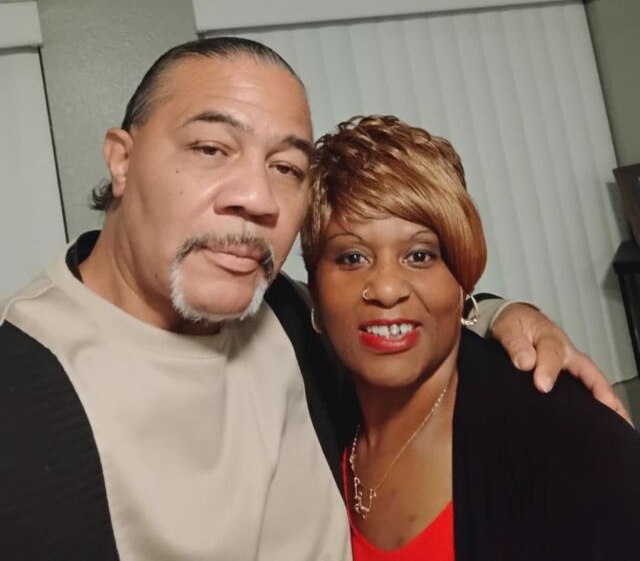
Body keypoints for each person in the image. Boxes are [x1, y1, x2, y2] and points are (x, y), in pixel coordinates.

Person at [0, 38, 627, 560]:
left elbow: (390, 308)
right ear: (122, 160)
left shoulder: (283, 312)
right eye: (212, 149)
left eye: (285, 168)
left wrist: (497, 312)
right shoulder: (25, 392)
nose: (256, 197)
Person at [301, 114, 640, 561]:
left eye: (419, 255)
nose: (386, 288)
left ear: (462, 276)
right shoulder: (316, 407)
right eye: (351, 257)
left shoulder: (567, 440)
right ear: (314, 287)